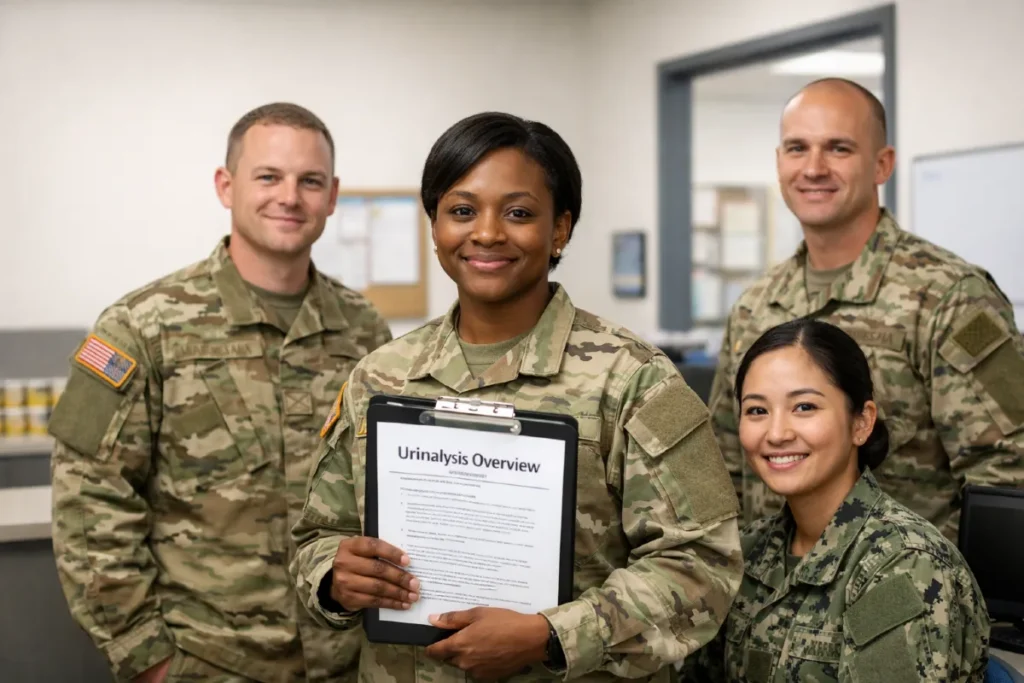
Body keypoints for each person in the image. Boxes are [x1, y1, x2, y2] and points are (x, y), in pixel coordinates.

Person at [289, 111, 743, 683]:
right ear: (435, 227)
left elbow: (705, 564)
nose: (486, 233)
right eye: (461, 211)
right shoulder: (380, 377)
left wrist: (551, 636)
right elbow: (316, 537)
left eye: (519, 213)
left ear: (560, 230)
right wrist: (335, 576)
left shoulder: (634, 380)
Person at [48, 102, 392, 683]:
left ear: (332, 197)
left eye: (309, 181)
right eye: (268, 176)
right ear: (225, 186)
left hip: (345, 659)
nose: (290, 196)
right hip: (206, 662)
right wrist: (146, 660)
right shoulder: (142, 325)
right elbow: (89, 506)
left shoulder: (364, 329)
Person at [708, 77, 1024, 541]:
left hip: (900, 598)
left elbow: (1007, 471)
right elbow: (725, 465)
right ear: (779, 162)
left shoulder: (949, 297)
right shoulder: (756, 306)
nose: (813, 168)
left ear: (882, 164)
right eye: (797, 148)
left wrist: (936, 585)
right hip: (771, 598)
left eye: (838, 149)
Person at [686, 318, 990, 682]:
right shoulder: (749, 552)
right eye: (757, 411)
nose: (777, 433)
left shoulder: (903, 566)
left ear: (862, 423)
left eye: (804, 407)